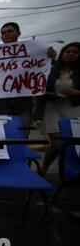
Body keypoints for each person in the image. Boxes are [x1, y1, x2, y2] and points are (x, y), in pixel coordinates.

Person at [0, 22, 57, 138]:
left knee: (22, 132)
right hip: (1, 101)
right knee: (2, 133)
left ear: (18, 33)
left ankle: (20, 154)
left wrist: (49, 56)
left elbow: (43, 68)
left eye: (9, 31)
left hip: (24, 100)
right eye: (3, 33)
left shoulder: (32, 51)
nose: (6, 34)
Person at [40, 42, 80, 176]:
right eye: (68, 51)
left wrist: (76, 92)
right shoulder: (50, 70)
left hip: (74, 109)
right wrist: (54, 94)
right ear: (62, 53)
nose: (71, 54)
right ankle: (44, 168)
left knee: (71, 143)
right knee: (57, 143)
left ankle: (67, 171)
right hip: (53, 109)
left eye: (75, 52)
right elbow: (39, 88)